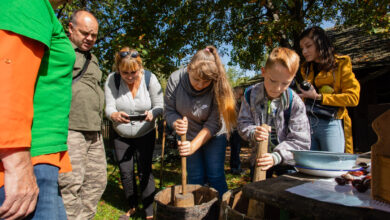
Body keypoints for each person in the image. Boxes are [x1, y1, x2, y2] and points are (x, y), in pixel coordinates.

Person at [0, 0, 75, 219]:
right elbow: (8, 70)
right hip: (26, 159)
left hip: (41, 160)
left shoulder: (41, 8)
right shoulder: (28, 2)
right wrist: (16, 160)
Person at [164, 46, 237, 197]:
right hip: (187, 135)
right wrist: (176, 122)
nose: (200, 85)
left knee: (215, 175)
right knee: (195, 177)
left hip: (214, 134)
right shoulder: (175, 79)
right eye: (196, 79)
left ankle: (222, 212)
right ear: (189, 68)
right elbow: (169, 111)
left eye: (206, 82)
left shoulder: (217, 86)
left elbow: (213, 123)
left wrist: (193, 146)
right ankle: (197, 211)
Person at [58, 10, 107, 220]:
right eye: (84, 33)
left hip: (94, 131)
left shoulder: (92, 58)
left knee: (97, 182)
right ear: (70, 28)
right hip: (71, 129)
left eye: (93, 35)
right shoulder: (60, 50)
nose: (89, 38)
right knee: (70, 184)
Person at [104, 47, 163, 219]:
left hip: (145, 133)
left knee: (145, 170)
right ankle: (132, 206)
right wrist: (114, 114)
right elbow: (109, 106)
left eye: (133, 72)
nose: (130, 77)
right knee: (126, 171)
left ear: (140, 68)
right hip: (121, 135)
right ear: (118, 69)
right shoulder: (111, 80)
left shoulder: (150, 78)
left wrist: (154, 113)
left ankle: (149, 210)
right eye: (125, 73)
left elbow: (160, 104)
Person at [238, 47, 310, 177]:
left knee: (287, 194)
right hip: (259, 158)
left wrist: (277, 157)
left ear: (292, 78)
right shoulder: (250, 95)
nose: (277, 88)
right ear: (263, 72)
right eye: (272, 81)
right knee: (258, 192)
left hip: (288, 161)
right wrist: (253, 132)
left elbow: (301, 141)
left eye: (285, 83)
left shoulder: (295, 102)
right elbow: (243, 123)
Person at [298, 26, 360, 153]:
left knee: (334, 166)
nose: (304, 51)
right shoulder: (305, 68)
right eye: (302, 48)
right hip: (308, 123)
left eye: (308, 46)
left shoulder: (341, 63)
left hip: (332, 122)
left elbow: (353, 98)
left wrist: (318, 97)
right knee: (311, 167)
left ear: (320, 43)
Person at [230, 86, 244, 175]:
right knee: (235, 149)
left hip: (235, 129)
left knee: (236, 149)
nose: (240, 96)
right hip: (234, 130)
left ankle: (235, 167)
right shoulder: (232, 103)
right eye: (239, 94)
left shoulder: (236, 103)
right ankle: (236, 168)